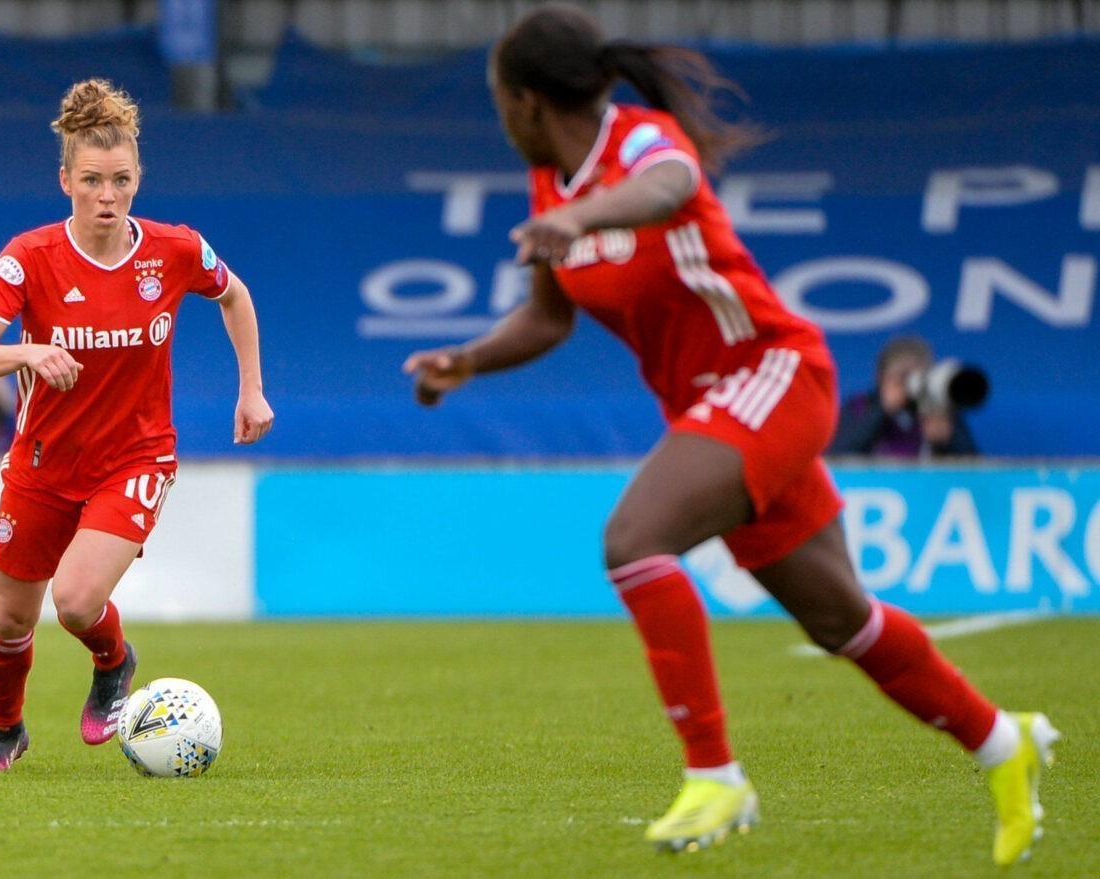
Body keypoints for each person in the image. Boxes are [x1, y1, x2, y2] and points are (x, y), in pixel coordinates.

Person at [403, 5, 1054, 866]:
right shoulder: (549, 186)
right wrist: (471, 359)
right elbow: (549, 314)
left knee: (634, 539)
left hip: (775, 372)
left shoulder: (638, 142)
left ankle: (716, 775)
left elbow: (671, 184)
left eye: (497, 102)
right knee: (840, 620)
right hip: (718, 410)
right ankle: (1005, 745)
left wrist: (585, 217)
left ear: (526, 100)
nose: (499, 119)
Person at [0, 79, 273, 771]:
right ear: (65, 178)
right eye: (92, 179)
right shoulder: (29, 257)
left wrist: (251, 389)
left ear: (137, 180)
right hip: (41, 463)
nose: (107, 195)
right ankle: (7, 729)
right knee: (11, 617)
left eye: (121, 180)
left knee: (74, 599)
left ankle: (114, 660)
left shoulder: (174, 250)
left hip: (136, 458)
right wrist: (27, 349)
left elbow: (236, 294)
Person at [831, 335, 979, 458]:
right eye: (901, 378)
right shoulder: (860, 406)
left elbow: (975, 466)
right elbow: (837, 455)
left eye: (915, 377)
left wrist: (946, 440)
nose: (908, 387)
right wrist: (882, 411)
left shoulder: (938, 408)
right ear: (880, 377)